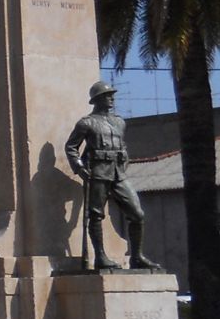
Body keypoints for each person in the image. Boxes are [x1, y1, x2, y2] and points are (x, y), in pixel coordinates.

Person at [64, 80, 161, 272]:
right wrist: (80, 168)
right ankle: (100, 256)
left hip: (118, 173)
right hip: (98, 173)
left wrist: (125, 161)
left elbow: (122, 146)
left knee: (137, 214)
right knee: (96, 215)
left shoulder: (119, 122)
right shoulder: (87, 123)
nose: (111, 99)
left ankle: (137, 256)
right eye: (107, 96)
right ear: (97, 100)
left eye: (111, 95)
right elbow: (71, 147)